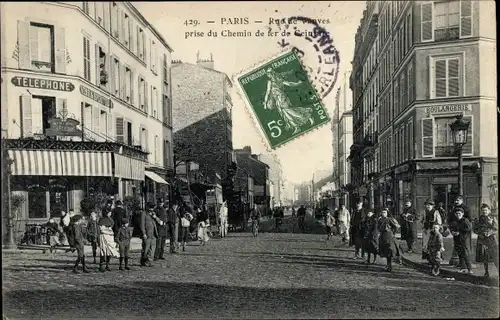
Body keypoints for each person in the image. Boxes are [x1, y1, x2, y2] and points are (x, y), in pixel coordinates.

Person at [474, 203, 499, 278]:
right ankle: (486, 272)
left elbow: (496, 228)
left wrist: (490, 232)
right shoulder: (479, 219)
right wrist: (480, 233)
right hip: (482, 240)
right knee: (484, 257)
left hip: (492, 240)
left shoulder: (493, 218)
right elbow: (475, 229)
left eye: (486, 210)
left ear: (489, 211)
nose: (484, 212)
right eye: (483, 210)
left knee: (495, 257)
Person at [449, 195, 471, 268]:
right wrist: (452, 229)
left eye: (458, 200)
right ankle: (461, 263)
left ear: (462, 200)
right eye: (455, 200)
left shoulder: (466, 208)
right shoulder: (454, 208)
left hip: (464, 232)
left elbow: (469, 220)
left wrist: (461, 228)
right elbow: (451, 218)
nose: (456, 201)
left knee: (464, 248)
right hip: (455, 229)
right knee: (457, 247)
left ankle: (467, 265)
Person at [450, 208, 473, 274]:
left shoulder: (465, 220)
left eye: (459, 213)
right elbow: (452, 228)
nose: (458, 215)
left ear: (462, 214)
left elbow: (469, 229)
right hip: (457, 239)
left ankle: (469, 268)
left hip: (464, 239)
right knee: (460, 254)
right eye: (456, 213)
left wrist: (459, 232)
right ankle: (463, 268)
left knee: (465, 254)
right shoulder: (455, 221)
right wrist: (453, 232)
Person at [377, 208, 400, 272]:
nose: (383, 213)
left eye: (385, 212)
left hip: (389, 236)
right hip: (382, 236)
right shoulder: (380, 220)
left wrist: (392, 232)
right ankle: (387, 265)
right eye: (382, 212)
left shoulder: (390, 219)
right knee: (385, 251)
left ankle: (389, 266)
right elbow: (378, 228)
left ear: (387, 213)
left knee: (389, 251)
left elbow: (397, 226)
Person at [140, 202, 161, 267]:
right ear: (147, 207)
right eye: (150, 208)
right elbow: (142, 224)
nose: (152, 209)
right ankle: (143, 260)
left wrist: (155, 217)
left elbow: (159, 221)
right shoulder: (144, 213)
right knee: (146, 248)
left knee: (152, 248)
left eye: (152, 208)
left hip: (153, 233)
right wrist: (143, 233)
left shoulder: (153, 213)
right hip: (147, 233)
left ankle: (149, 261)